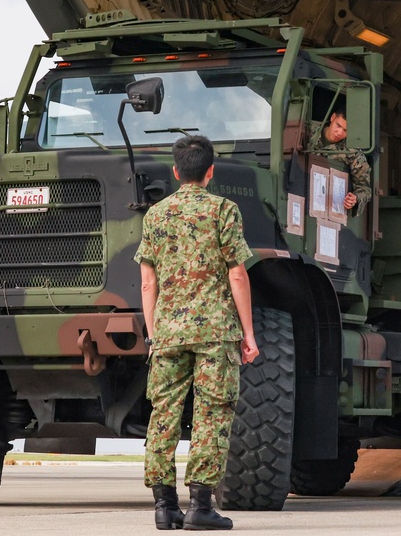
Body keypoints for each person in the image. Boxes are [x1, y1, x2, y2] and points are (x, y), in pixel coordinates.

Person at [135, 135, 259, 531]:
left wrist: (155, 332)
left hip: (169, 332)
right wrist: (248, 333)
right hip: (215, 331)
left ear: (175, 172)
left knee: (163, 416)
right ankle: (200, 506)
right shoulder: (224, 210)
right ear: (210, 171)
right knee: (211, 413)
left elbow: (147, 283)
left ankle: (163, 505)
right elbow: (237, 273)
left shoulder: (155, 215)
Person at [307, 106, 372, 213]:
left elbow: (365, 188)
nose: (339, 133)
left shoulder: (352, 151)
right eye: (338, 125)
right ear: (333, 117)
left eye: (345, 130)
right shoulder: (307, 129)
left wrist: (355, 198)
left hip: (325, 207)